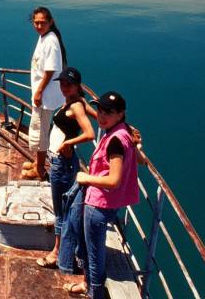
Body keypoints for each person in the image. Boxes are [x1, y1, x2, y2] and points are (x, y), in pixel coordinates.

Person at [63, 91, 140, 298]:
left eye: (109, 112)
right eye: (100, 109)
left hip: (99, 205)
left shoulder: (115, 140)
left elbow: (113, 181)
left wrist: (85, 178)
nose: (101, 115)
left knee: (93, 253)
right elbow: (138, 160)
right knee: (90, 249)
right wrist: (137, 145)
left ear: (121, 114)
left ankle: (93, 292)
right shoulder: (124, 132)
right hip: (108, 204)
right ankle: (88, 285)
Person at [35, 67, 95, 269]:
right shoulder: (77, 102)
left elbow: (90, 133)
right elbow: (98, 117)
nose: (63, 87)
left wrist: (69, 143)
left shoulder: (76, 106)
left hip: (62, 163)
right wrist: (123, 126)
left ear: (77, 86)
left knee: (61, 212)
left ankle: (56, 254)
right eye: (61, 84)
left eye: (68, 85)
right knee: (64, 209)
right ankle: (66, 254)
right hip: (60, 161)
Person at [23, 6, 67, 181]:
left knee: (40, 133)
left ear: (51, 22)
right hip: (44, 94)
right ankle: (37, 163)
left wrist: (39, 91)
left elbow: (50, 70)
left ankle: (39, 169)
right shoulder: (45, 37)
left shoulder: (50, 41)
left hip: (45, 97)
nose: (39, 25)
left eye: (43, 22)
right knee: (38, 130)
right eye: (36, 22)